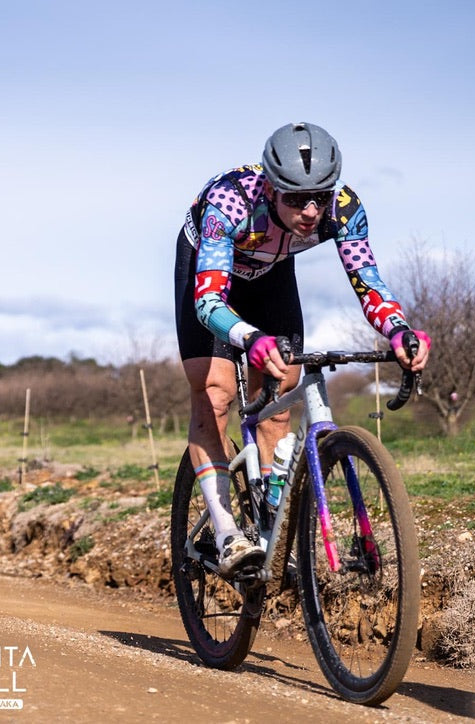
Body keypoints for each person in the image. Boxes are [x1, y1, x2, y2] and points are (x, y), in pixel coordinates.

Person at [173, 122, 431, 576]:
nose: (311, 210)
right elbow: (209, 302)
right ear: (271, 189)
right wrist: (249, 338)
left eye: (321, 196)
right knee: (214, 392)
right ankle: (227, 530)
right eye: (295, 198)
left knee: (280, 393)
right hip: (211, 275)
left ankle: (272, 510)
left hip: (271, 275)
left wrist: (398, 331)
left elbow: (368, 283)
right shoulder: (228, 202)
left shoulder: (345, 208)